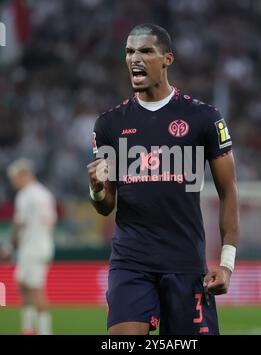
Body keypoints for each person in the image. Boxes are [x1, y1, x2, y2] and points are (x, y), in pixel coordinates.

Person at [87, 23, 239, 335]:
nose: (135, 58)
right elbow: (106, 207)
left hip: (185, 262)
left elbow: (228, 192)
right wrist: (96, 190)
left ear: (167, 58)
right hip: (131, 262)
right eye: (130, 52)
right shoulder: (109, 125)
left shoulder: (204, 118)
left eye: (145, 51)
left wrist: (226, 264)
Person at [6, 159, 57, 335]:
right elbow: (51, 221)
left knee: (36, 289)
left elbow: (19, 223)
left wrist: (9, 247)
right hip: (42, 245)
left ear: (23, 175)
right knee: (22, 283)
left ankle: (44, 331)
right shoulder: (45, 194)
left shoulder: (26, 195)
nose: (13, 181)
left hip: (32, 248)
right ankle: (28, 327)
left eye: (14, 177)